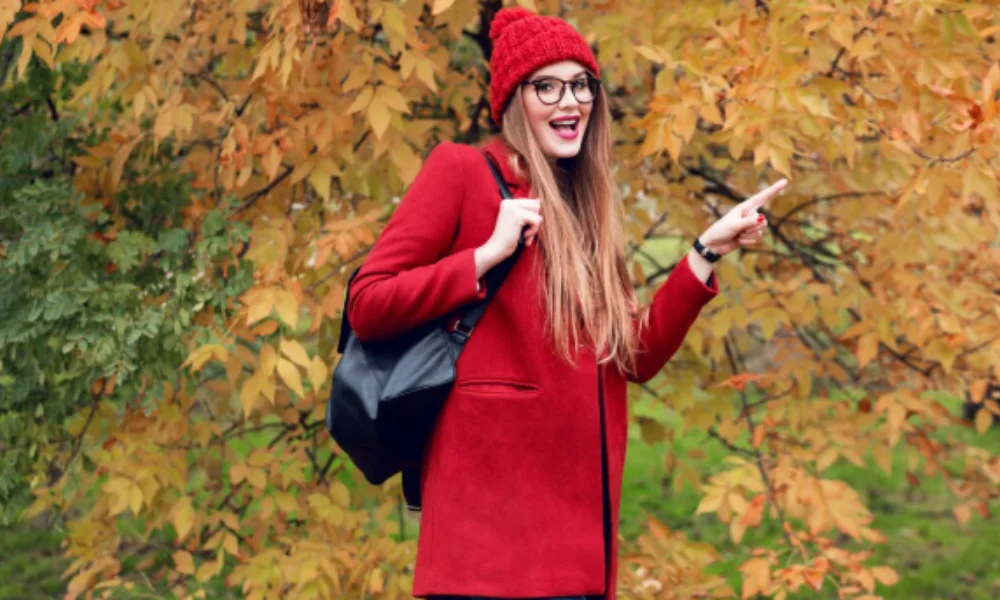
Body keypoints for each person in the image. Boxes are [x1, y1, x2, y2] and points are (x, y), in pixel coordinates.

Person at [346, 7, 786, 600]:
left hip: (577, 535)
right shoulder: (462, 171)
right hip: (489, 536)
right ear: (512, 101)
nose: (569, 101)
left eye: (580, 85)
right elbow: (368, 303)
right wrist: (485, 255)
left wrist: (706, 250)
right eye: (546, 86)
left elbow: (635, 356)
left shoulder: (588, 205)